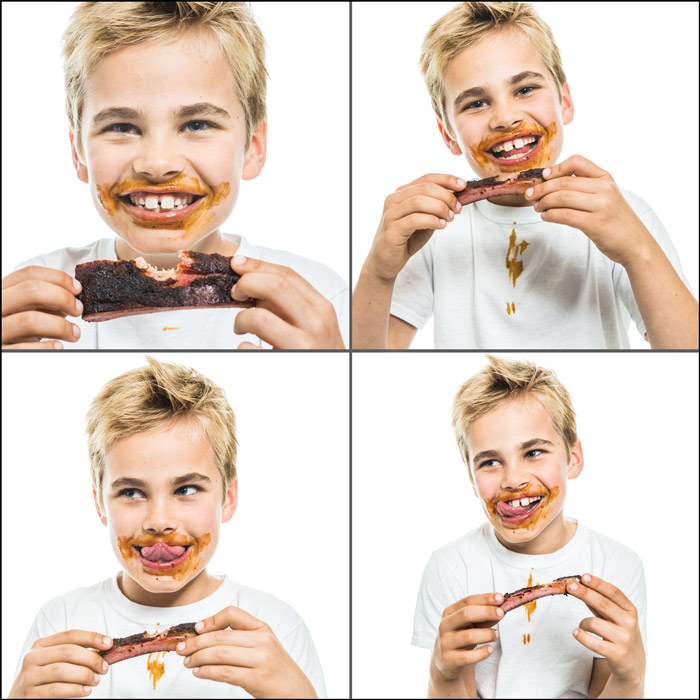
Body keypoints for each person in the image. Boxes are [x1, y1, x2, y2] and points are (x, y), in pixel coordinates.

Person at [352, 1, 698, 349]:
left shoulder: (623, 213)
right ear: (448, 135)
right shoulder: (432, 231)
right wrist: (378, 273)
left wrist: (638, 250)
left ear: (565, 101)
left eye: (525, 89)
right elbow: (372, 363)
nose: (505, 117)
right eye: (475, 103)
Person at [2, 2, 347, 350]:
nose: (157, 163)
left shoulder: (319, 301)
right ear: (79, 154)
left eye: (197, 125)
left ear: (253, 147)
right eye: (122, 127)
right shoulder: (30, 306)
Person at [10, 357, 326, 698]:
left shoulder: (276, 626)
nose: (159, 521)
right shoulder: (61, 620)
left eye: (186, 489)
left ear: (228, 497)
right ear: (100, 503)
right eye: (131, 492)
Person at [412, 355, 646, 698]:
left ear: (573, 458)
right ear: (472, 479)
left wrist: (630, 678)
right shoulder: (451, 566)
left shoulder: (617, 565)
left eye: (534, 452)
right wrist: (442, 677)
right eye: (490, 461)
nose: (514, 479)